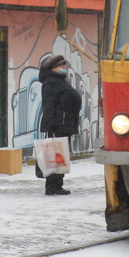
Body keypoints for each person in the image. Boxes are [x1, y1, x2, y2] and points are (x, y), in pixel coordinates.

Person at [37, 54, 81, 195]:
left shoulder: (59, 81)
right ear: (54, 68)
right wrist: (51, 126)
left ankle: (57, 185)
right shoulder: (51, 82)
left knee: (60, 156)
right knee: (54, 156)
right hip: (57, 125)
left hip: (64, 124)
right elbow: (49, 105)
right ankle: (52, 186)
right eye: (62, 65)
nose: (64, 68)